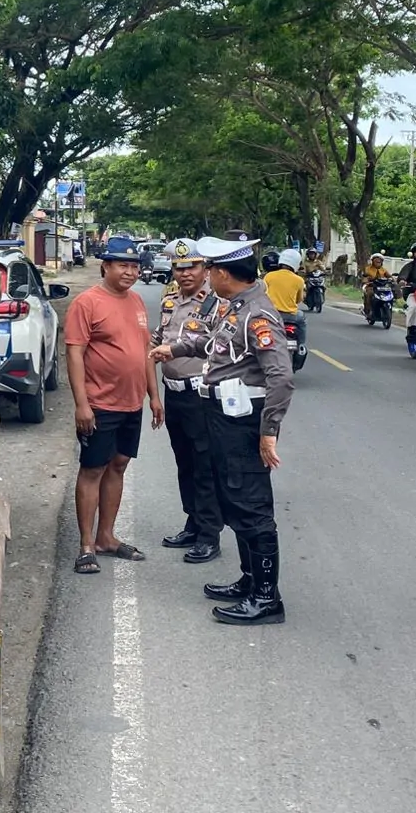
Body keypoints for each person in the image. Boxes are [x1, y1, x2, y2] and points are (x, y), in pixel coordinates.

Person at [151, 236, 293, 626]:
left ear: (224, 273)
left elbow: (281, 377)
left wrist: (269, 432)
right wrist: (174, 350)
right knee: (234, 501)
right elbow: (211, 344)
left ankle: (267, 598)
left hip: (244, 422)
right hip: (221, 416)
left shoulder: (258, 315)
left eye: (210, 269)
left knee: (252, 507)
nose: (206, 275)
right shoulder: (234, 308)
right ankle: (250, 581)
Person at [64, 234, 163, 576]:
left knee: (119, 464)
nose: (130, 272)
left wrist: (154, 395)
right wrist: (82, 404)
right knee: (93, 469)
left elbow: (144, 352)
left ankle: (107, 536)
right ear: (105, 266)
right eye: (123, 265)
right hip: (99, 403)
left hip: (131, 404)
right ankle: (86, 545)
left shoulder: (135, 301)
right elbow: (74, 353)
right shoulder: (86, 303)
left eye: (134, 266)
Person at [150, 238, 224, 564]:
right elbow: (157, 339)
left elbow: (222, 345)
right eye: (179, 268)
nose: (184, 274)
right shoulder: (169, 302)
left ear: (205, 268)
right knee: (185, 463)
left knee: (205, 465)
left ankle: (210, 534)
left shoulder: (217, 304)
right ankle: (193, 522)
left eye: (191, 266)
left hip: (201, 395)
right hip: (174, 393)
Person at [262, 249, 306, 316]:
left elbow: (263, 293)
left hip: (272, 314)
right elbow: (299, 299)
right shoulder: (300, 280)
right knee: (302, 318)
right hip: (290, 315)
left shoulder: (269, 276)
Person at [361, 253, 391, 318]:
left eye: (379, 261)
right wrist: (366, 280)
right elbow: (365, 277)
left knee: (390, 293)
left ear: (381, 262)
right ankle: (368, 310)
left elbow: (389, 276)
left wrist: (393, 280)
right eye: (376, 261)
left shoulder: (384, 270)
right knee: (369, 293)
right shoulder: (368, 269)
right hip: (371, 286)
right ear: (373, 261)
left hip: (382, 287)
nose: (378, 262)